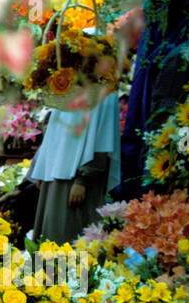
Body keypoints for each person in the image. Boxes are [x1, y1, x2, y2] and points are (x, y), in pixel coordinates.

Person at [27, 94, 121, 245]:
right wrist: (42, 168)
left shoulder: (105, 92)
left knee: (69, 238)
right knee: (49, 238)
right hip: (53, 175)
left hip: (76, 181)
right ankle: (46, 268)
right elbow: (54, 131)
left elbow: (101, 140)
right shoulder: (68, 87)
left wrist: (83, 179)